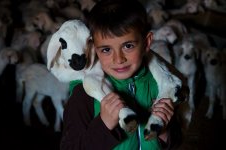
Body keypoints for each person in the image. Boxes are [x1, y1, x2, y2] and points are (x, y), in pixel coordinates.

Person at [60, 0, 185, 149]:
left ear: (146, 43)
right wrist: (103, 125)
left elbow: (176, 140)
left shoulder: (161, 86)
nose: (118, 59)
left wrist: (164, 131)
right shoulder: (84, 95)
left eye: (128, 46)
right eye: (106, 49)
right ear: (93, 48)